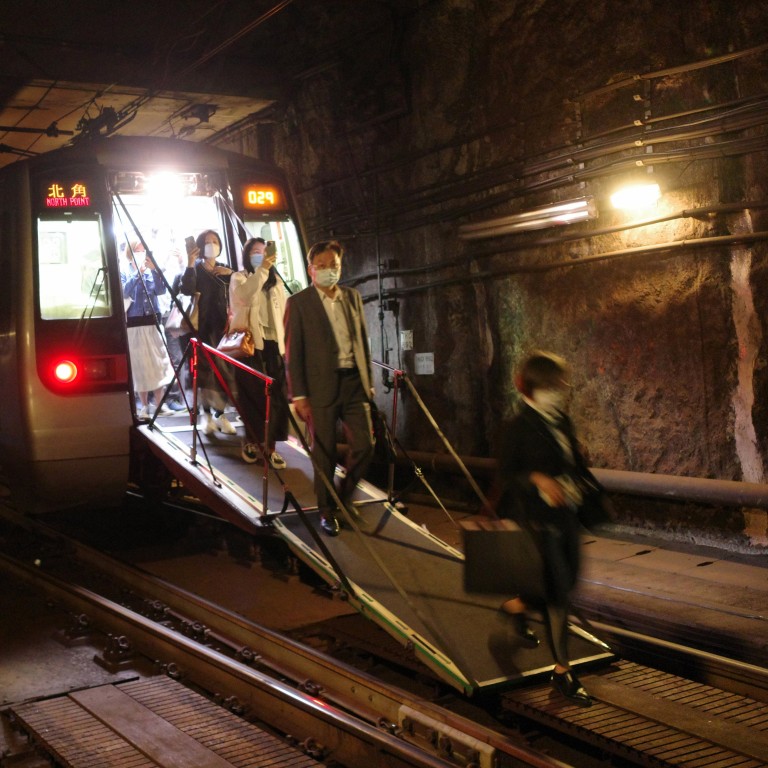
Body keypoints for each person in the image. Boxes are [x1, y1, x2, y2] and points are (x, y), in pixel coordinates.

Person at [495, 351, 593, 707]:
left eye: (559, 385)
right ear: (531, 388)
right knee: (558, 593)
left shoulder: (561, 420)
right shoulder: (517, 427)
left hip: (566, 513)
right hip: (535, 519)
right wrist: (537, 478)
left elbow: (572, 463)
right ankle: (563, 670)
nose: (557, 392)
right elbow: (508, 474)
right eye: (550, 386)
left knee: (569, 579)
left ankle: (516, 607)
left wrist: (577, 463)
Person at [284, 240, 375, 536]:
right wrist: (299, 395)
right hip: (319, 387)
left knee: (365, 444)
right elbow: (293, 353)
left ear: (340, 266)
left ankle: (343, 498)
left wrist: (369, 382)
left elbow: (362, 341)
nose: (328, 271)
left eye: (333, 265)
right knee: (323, 451)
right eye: (321, 266)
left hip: (353, 383)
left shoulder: (352, 297)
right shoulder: (299, 303)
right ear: (311, 269)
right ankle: (326, 510)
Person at [228, 237, 289, 469]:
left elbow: (283, 312)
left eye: (264, 252)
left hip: (274, 344)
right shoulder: (239, 277)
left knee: (277, 398)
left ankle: (271, 448)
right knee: (252, 395)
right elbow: (244, 297)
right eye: (255, 251)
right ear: (247, 255)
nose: (261, 255)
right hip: (251, 344)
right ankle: (251, 441)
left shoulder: (276, 281)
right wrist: (262, 270)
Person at [179, 229, 236, 435]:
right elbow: (186, 290)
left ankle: (220, 414)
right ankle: (207, 415)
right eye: (207, 241)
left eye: (215, 241)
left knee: (225, 372)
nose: (212, 245)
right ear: (200, 246)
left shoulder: (227, 270)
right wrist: (189, 263)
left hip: (224, 329)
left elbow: (241, 289)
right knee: (204, 373)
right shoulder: (195, 268)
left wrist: (231, 274)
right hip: (201, 329)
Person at [121, 240, 174, 419]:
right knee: (139, 365)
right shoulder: (124, 271)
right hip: (134, 324)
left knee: (158, 363)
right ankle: (144, 406)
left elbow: (160, 291)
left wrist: (155, 271)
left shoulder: (152, 270)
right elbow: (124, 292)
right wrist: (138, 273)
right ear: (130, 252)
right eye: (138, 250)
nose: (141, 253)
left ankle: (160, 403)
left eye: (143, 250)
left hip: (153, 322)